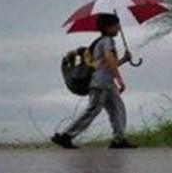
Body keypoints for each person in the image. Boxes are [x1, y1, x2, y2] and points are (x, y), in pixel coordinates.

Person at [52, 13, 138, 149]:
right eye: (116, 25)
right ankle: (66, 135)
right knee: (92, 110)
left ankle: (119, 140)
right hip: (101, 84)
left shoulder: (100, 42)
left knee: (118, 109)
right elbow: (109, 60)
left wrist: (124, 60)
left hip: (106, 83)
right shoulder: (108, 41)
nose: (119, 28)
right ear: (107, 27)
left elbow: (106, 65)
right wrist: (119, 78)